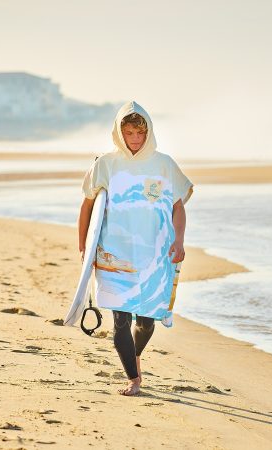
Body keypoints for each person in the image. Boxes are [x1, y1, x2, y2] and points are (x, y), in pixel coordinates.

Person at [77, 101, 193, 396]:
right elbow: (88, 206)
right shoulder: (105, 163)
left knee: (146, 320)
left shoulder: (164, 164)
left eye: (140, 133)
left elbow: (178, 207)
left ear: (148, 132)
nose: (135, 139)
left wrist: (179, 240)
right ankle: (133, 378)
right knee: (121, 321)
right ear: (120, 132)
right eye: (129, 133)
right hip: (115, 254)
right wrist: (85, 248)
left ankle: (136, 356)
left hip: (155, 254)